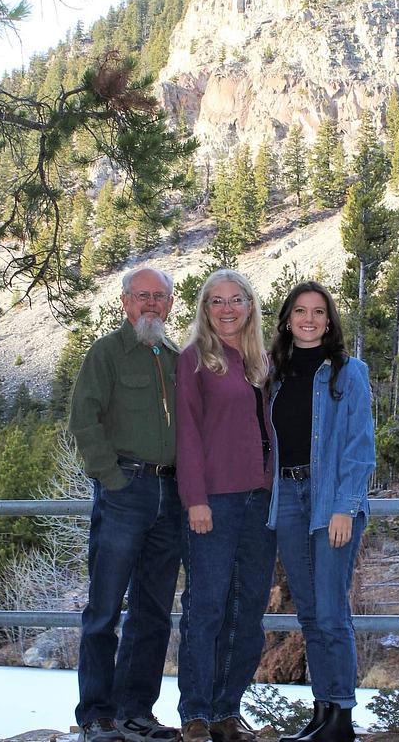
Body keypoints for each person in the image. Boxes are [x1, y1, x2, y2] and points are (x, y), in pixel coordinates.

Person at [69, 267, 182, 742]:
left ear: (170, 304)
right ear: (124, 302)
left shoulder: (176, 358)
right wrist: (111, 479)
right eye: (142, 296)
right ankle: (97, 715)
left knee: (154, 610)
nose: (151, 304)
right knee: (105, 607)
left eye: (159, 296)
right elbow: (83, 418)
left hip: (171, 496)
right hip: (124, 490)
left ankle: (135, 713)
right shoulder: (107, 353)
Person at [267, 281, 375, 742]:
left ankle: (342, 718)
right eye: (300, 311)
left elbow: (360, 446)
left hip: (331, 499)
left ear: (329, 321)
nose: (308, 319)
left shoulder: (349, 373)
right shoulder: (273, 373)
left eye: (317, 311)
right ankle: (322, 711)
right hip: (287, 497)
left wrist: (345, 507)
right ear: (288, 319)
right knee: (309, 614)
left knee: (331, 611)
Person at [175, 269, 276, 742]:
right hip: (214, 500)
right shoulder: (195, 359)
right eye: (217, 301)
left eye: (236, 299)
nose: (227, 308)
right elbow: (187, 434)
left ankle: (227, 712)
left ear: (250, 306)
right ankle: (196, 713)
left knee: (249, 609)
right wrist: (195, 499)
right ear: (205, 309)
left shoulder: (263, 361)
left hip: (262, 501)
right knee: (207, 607)